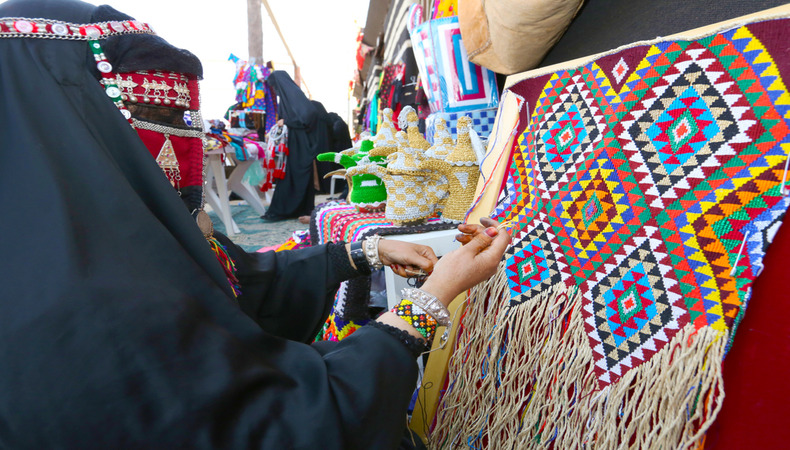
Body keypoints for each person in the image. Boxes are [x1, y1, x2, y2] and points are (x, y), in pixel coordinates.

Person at [0, 0, 511, 448]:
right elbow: (297, 427)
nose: (187, 146)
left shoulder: (98, 237)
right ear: (74, 121)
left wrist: (359, 253)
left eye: (184, 121)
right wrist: (427, 303)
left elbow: (236, 281)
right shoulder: (75, 312)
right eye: (153, 115)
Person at [261, 70, 320, 222]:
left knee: (297, 176)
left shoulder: (294, 96)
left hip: (300, 145)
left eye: (275, 86)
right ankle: (288, 209)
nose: (275, 90)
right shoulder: (286, 100)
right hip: (292, 145)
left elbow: (309, 115)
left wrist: (287, 123)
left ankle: (290, 210)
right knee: (289, 177)